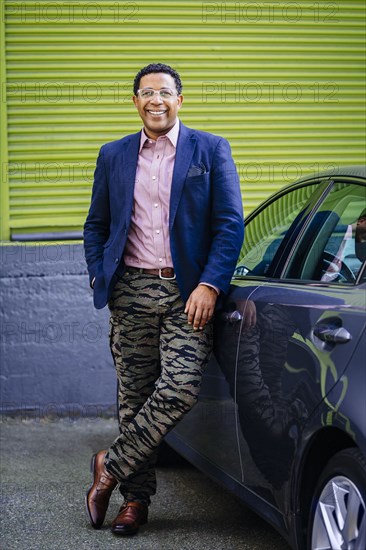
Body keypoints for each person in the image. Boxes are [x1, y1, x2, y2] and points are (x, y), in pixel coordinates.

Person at [83, 62, 244, 536]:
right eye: (146, 92)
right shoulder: (113, 154)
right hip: (130, 290)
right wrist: (99, 277)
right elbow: (96, 225)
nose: (156, 100)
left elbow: (229, 225)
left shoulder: (210, 149)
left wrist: (210, 285)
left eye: (165, 92)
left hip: (186, 293)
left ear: (180, 99)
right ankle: (136, 503)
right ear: (135, 101)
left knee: (178, 388)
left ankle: (108, 464)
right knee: (133, 399)